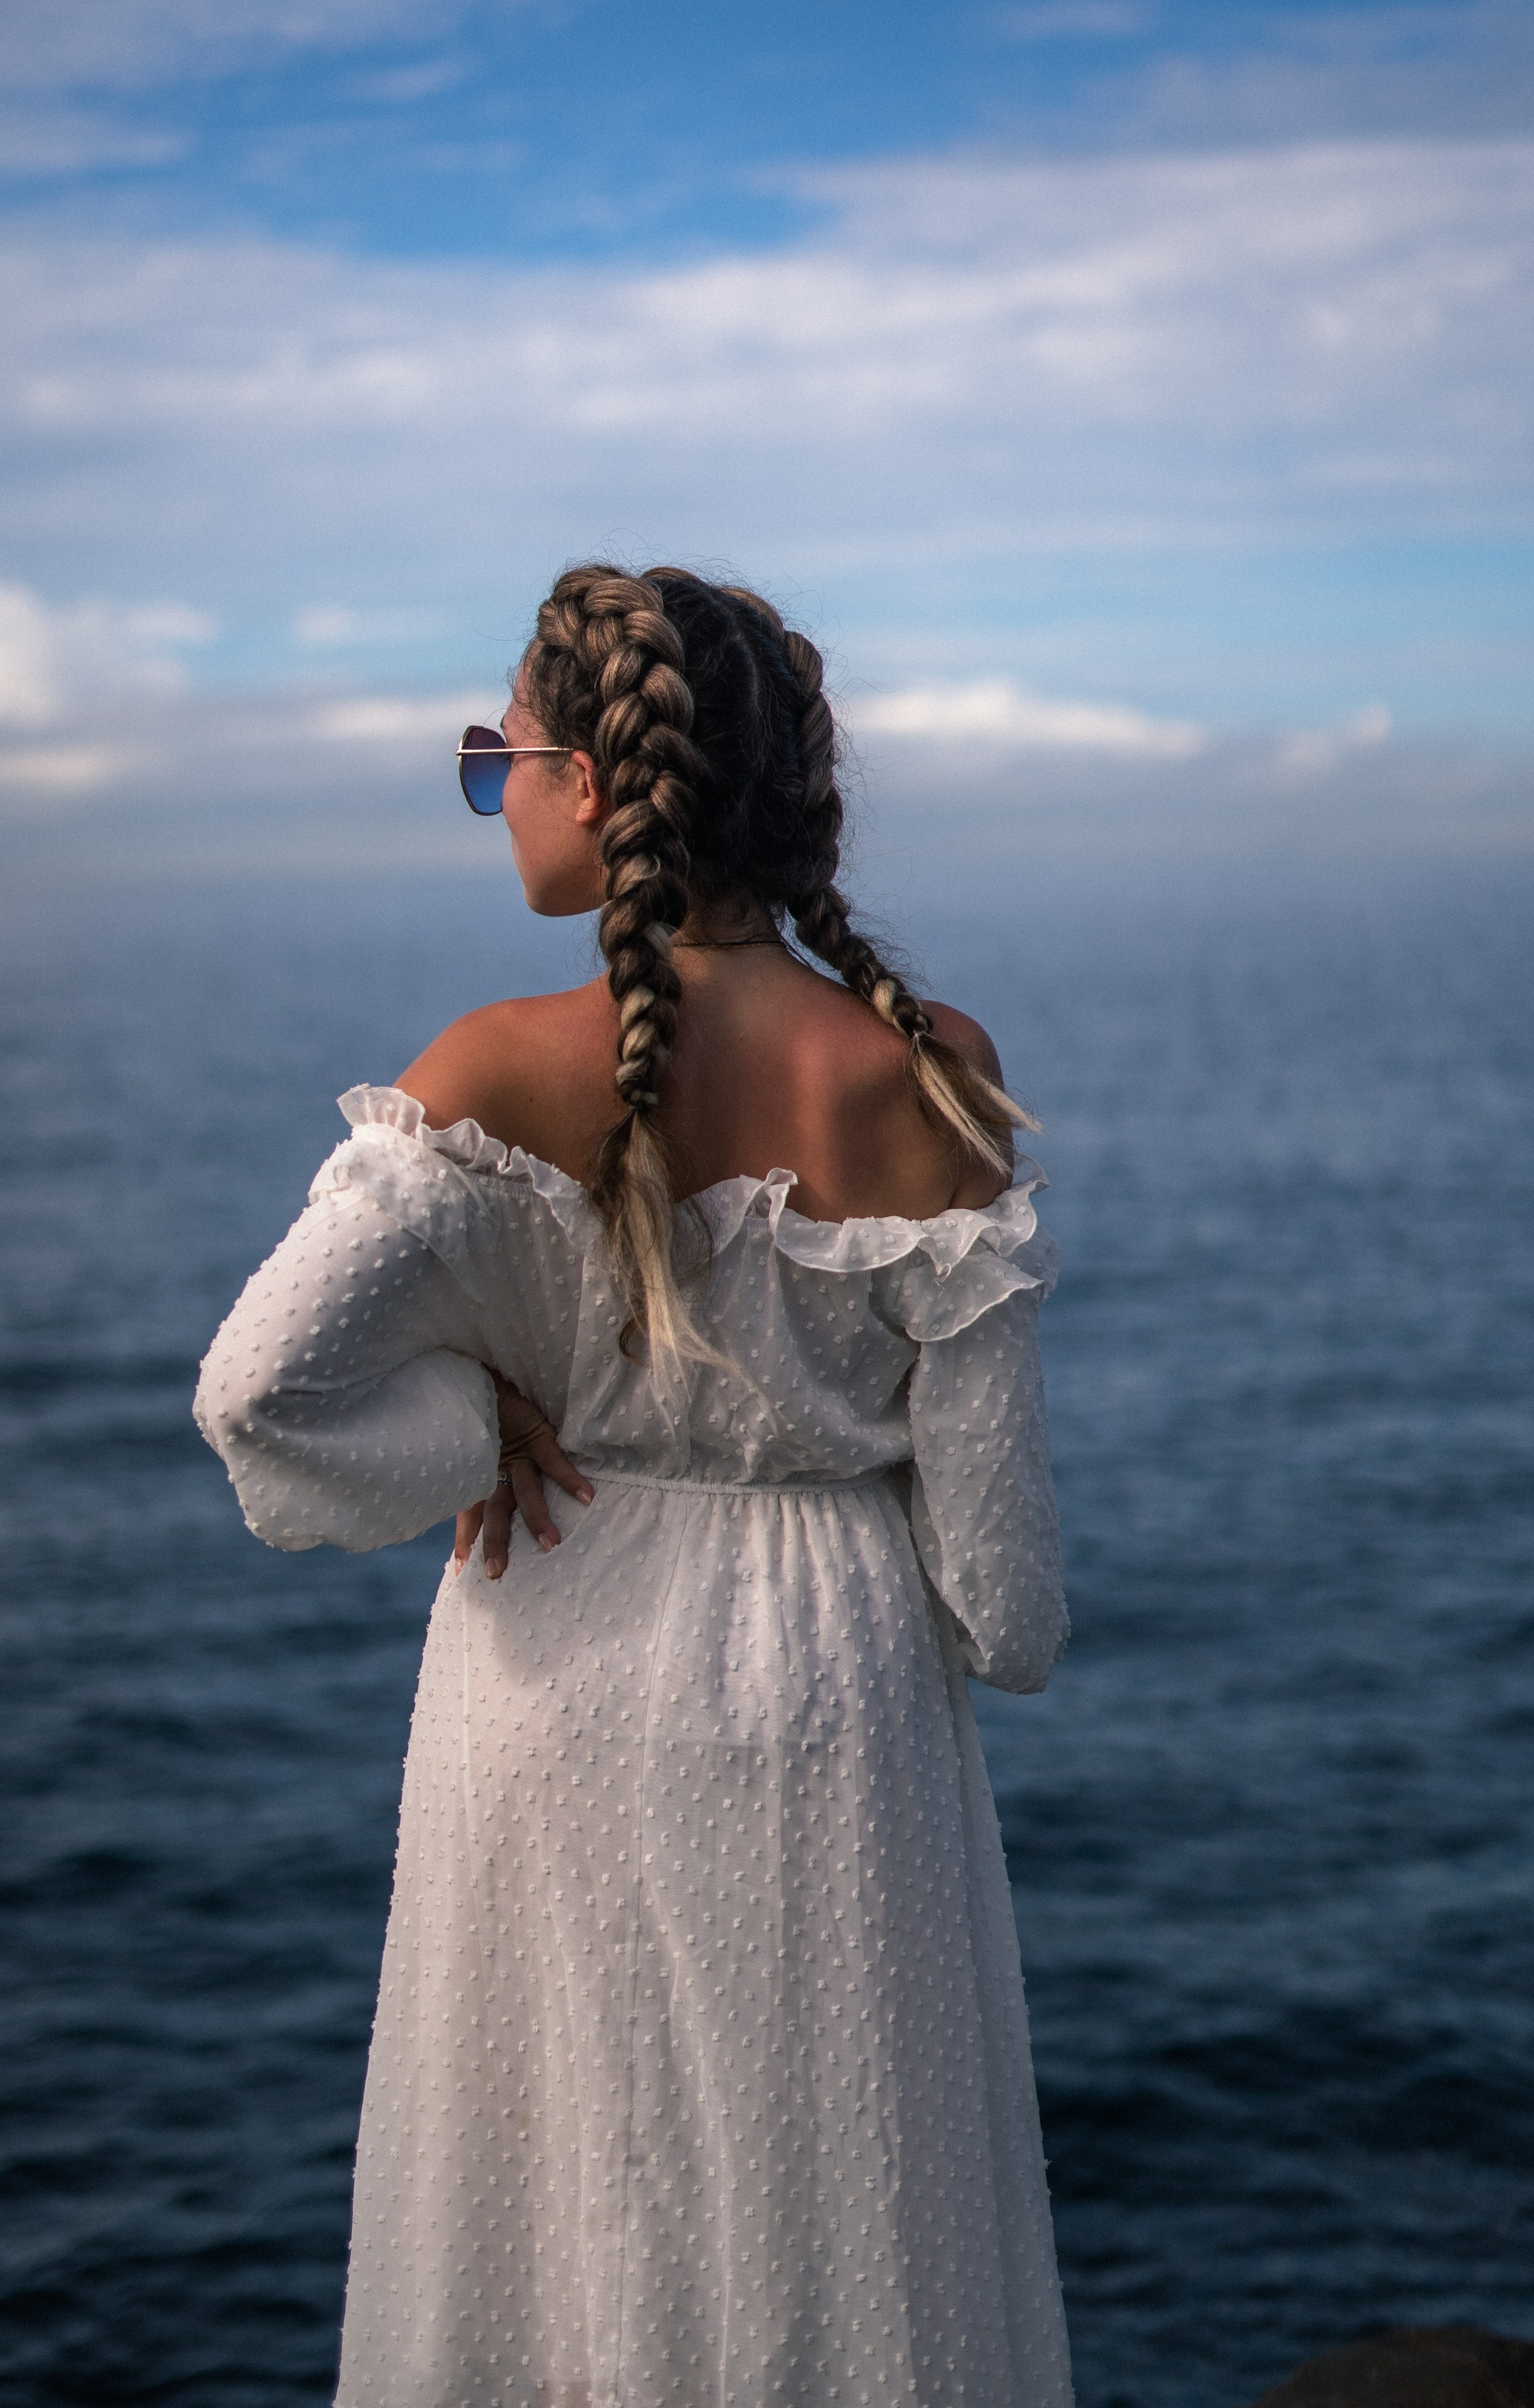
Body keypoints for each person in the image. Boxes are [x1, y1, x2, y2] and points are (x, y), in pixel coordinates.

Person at [194, 563, 1073, 2408]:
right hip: (842, 1723)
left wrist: (469, 1434)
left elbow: (258, 1398)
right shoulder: (937, 1075)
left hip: (551, 1665)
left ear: (593, 782)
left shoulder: (490, 1073)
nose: (487, 789)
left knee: (556, 2234)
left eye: (489, 754)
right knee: (844, 2253)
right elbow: (1006, 1616)